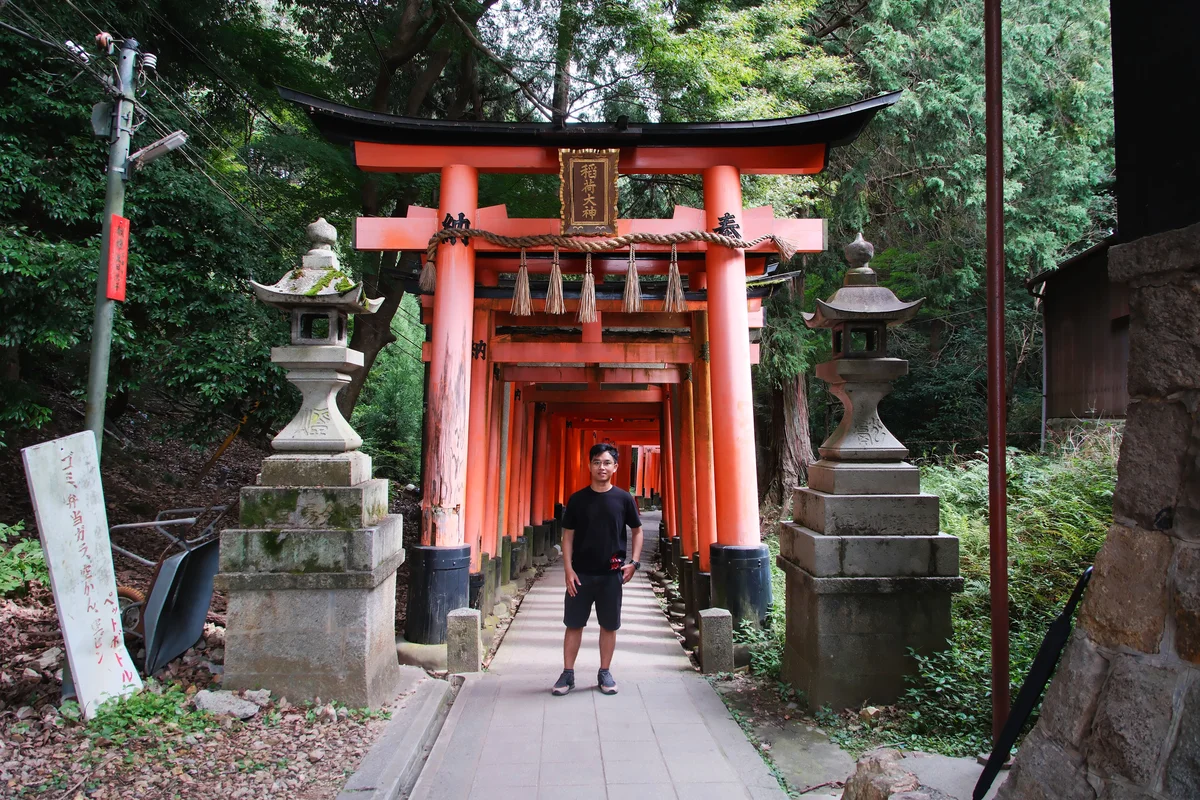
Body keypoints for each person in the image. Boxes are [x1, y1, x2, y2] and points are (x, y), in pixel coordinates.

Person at [551, 443, 643, 696]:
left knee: (609, 625)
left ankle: (605, 671)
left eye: (606, 462)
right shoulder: (578, 499)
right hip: (580, 574)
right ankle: (568, 674)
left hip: (612, 574)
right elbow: (567, 536)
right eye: (596, 462)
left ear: (615, 467)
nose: (601, 467)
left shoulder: (624, 499)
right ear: (589, 465)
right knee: (573, 624)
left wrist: (634, 562)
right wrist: (568, 569)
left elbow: (637, 531)